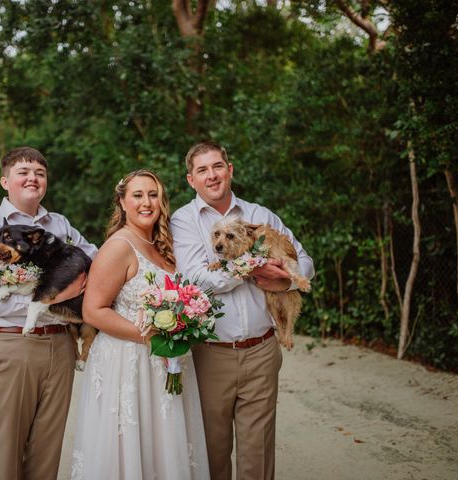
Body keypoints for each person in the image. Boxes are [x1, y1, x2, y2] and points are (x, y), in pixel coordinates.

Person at [171, 141, 315, 480]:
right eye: (202, 170)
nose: (212, 175)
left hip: (261, 349)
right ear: (191, 179)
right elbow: (196, 277)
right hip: (210, 353)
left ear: (230, 170)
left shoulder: (260, 215)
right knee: (212, 451)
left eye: (217, 166)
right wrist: (251, 268)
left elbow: (303, 261)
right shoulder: (184, 221)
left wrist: (286, 282)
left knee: (258, 453)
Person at [0, 147, 97, 480]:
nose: (32, 178)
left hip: (60, 348)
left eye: (39, 172)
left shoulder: (60, 225)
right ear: (5, 181)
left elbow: (96, 264)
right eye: (23, 171)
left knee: (47, 455)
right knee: (8, 453)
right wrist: (60, 301)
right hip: (11, 349)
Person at [71, 170, 210, 480]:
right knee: (130, 451)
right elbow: (93, 311)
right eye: (137, 195)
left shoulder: (163, 246)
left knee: (164, 446)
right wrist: (153, 338)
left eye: (153, 194)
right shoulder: (119, 246)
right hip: (129, 363)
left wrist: (184, 325)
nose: (146, 202)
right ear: (122, 202)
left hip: (167, 363)